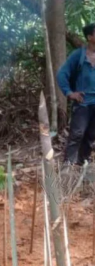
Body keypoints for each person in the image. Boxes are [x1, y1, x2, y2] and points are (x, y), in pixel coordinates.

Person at [57, 23, 95, 168]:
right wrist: (69, 93)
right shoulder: (78, 55)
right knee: (77, 134)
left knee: (91, 135)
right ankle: (68, 163)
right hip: (83, 102)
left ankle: (83, 162)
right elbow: (62, 74)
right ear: (90, 37)